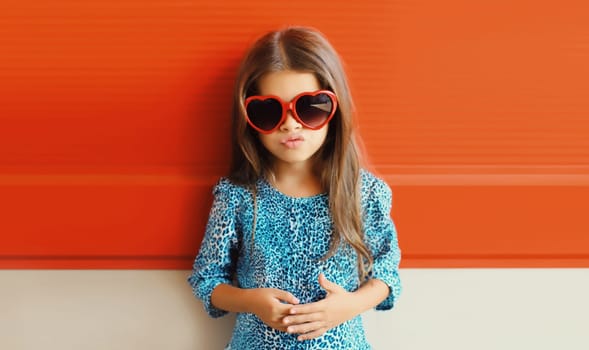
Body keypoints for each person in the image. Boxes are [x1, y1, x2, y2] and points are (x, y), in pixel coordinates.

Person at [188, 26, 401, 349]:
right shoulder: (238, 196)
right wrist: (252, 301)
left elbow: (387, 272)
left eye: (308, 107)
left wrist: (350, 306)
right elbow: (207, 279)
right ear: (249, 119)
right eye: (270, 111)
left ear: (334, 109)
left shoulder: (364, 193)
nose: (290, 123)